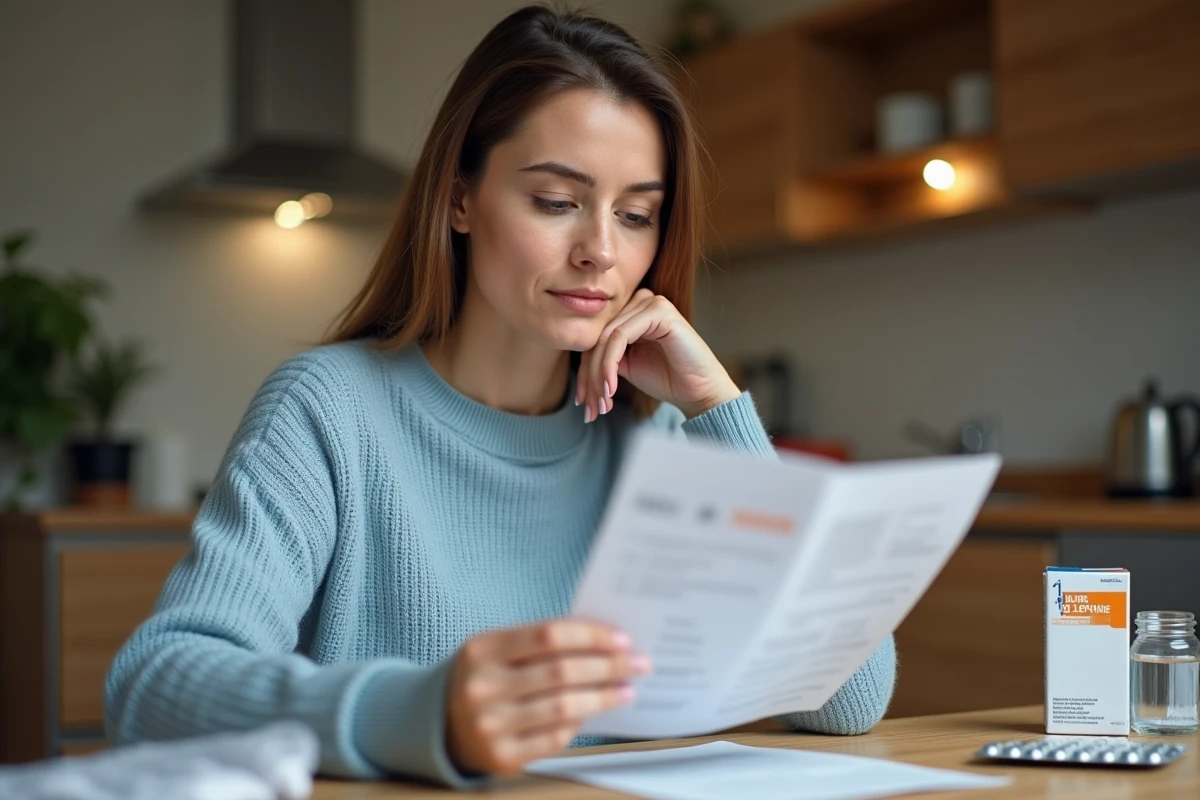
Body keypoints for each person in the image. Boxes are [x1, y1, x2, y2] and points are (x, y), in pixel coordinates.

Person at [105, 5, 896, 788]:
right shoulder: (328, 411)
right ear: (458, 200)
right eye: (556, 202)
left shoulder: (666, 441)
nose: (601, 252)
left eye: (637, 215)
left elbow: (850, 701)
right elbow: (152, 687)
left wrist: (716, 407)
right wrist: (417, 712)